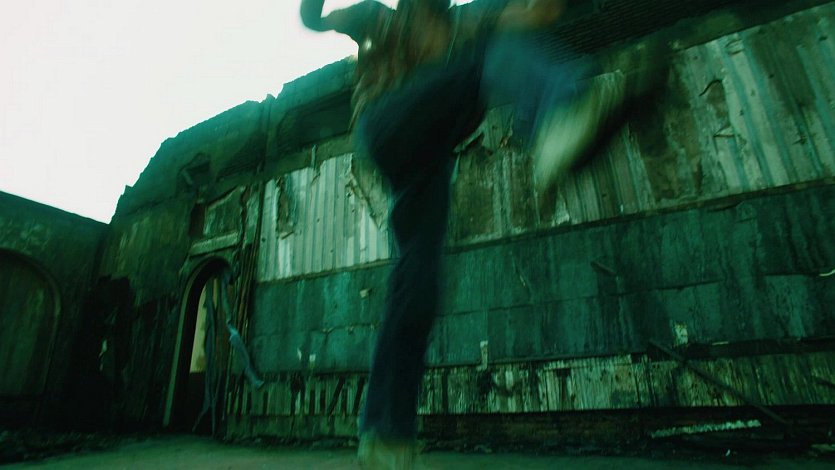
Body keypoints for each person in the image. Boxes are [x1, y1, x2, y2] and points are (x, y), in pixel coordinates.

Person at [299, 1, 654, 467]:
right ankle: (555, 118)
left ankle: (385, 435)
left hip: (426, 161)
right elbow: (313, 21)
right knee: (491, 53)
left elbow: (533, 16)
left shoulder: (465, 22)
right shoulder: (377, 18)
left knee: (417, 282)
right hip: (386, 124)